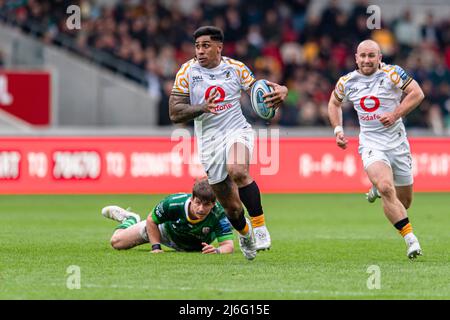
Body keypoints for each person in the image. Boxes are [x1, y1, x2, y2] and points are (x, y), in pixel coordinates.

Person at [169, 26, 288, 260]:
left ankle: (260, 227)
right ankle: (245, 235)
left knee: (238, 170)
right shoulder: (187, 73)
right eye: (197, 46)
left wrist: (281, 90)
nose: (200, 51)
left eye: (205, 46)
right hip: (209, 142)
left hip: (237, 131)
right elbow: (174, 113)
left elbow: (258, 92)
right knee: (232, 208)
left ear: (219, 48)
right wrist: (202, 107)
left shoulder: (236, 69)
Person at [327, 39, 425, 259]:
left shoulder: (392, 73)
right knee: (386, 187)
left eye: (372, 55)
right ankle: (411, 239)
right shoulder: (347, 82)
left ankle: (377, 190)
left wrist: (394, 114)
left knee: (404, 202)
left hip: (398, 142)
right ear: (356, 58)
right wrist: (337, 130)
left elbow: (417, 93)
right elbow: (333, 103)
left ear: (380, 57)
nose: (366, 60)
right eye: (362, 56)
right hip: (371, 143)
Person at [102, 179, 234, 254]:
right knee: (116, 242)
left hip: (194, 245)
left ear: (213, 204)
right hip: (164, 231)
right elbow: (151, 220)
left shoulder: (219, 213)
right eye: (198, 203)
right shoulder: (173, 203)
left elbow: (228, 245)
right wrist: (156, 247)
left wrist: (216, 251)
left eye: (206, 205)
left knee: (236, 220)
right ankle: (129, 220)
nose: (201, 209)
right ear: (192, 198)